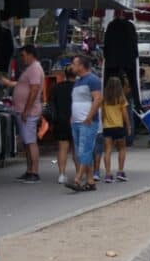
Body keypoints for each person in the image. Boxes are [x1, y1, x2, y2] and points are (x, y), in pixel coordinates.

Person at [1, 45, 44, 184]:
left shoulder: (35, 69)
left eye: (24, 55)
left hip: (29, 112)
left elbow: (34, 90)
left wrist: (26, 110)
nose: (22, 58)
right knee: (26, 142)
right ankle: (29, 170)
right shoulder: (30, 69)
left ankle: (34, 171)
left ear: (31, 55)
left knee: (30, 141)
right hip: (22, 111)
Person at [65, 55, 103, 192]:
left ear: (82, 65)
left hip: (87, 121)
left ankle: (77, 179)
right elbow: (76, 101)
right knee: (82, 152)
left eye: (74, 64)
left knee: (84, 151)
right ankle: (90, 181)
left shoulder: (92, 80)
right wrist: (72, 117)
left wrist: (89, 117)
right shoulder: (78, 81)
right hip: (76, 121)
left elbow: (98, 99)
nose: (72, 67)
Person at [49, 65, 77, 184]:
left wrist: (52, 121)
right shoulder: (79, 87)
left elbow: (52, 105)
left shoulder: (57, 87)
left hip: (60, 121)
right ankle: (79, 173)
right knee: (77, 149)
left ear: (65, 74)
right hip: (76, 120)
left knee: (62, 149)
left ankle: (61, 174)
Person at [101, 77, 132, 183]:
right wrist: (128, 126)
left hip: (107, 127)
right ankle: (120, 171)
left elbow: (102, 114)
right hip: (118, 126)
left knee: (108, 150)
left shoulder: (104, 98)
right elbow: (125, 114)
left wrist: (103, 123)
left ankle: (108, 174)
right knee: (122, 148)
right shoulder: (121, 98)